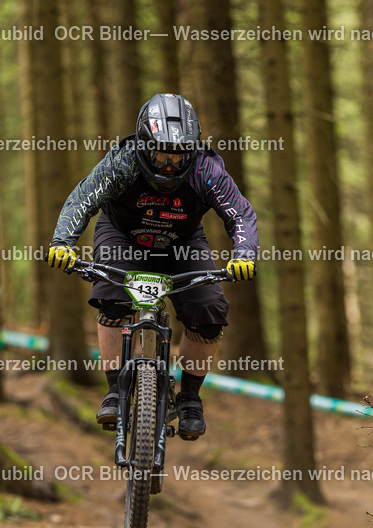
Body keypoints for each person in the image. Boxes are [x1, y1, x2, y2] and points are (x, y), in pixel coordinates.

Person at [46, 93, 258, 440]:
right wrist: (62, 243)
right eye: (162, 153)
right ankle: (115, 389)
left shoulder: (207, 170)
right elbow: (83, 199)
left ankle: (189, 398)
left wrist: (245, 253)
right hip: (123, 237)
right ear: (145, 147)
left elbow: (240, 215)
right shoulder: (123, 162)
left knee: (208, 309)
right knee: (112, 295)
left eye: (179, 154)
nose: (171, 164)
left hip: (182, 244)